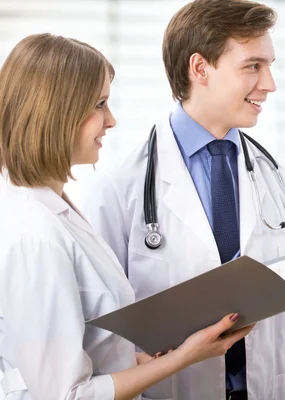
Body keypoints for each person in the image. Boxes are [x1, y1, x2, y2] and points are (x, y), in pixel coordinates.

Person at [82, 1, 285, 399]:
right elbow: (100, 334)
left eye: (269, 66)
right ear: (200, 69)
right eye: (253, 66)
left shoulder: (281, 182)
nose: (269, 83)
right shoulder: (119, 190)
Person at [0, 33, 253, 400]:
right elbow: (65, 395)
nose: (112, 120)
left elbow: (83, 354)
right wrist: (184, 358)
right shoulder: (35, 235)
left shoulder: (53, 210)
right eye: (100, 104)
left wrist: (135, 360)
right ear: (56, 111)